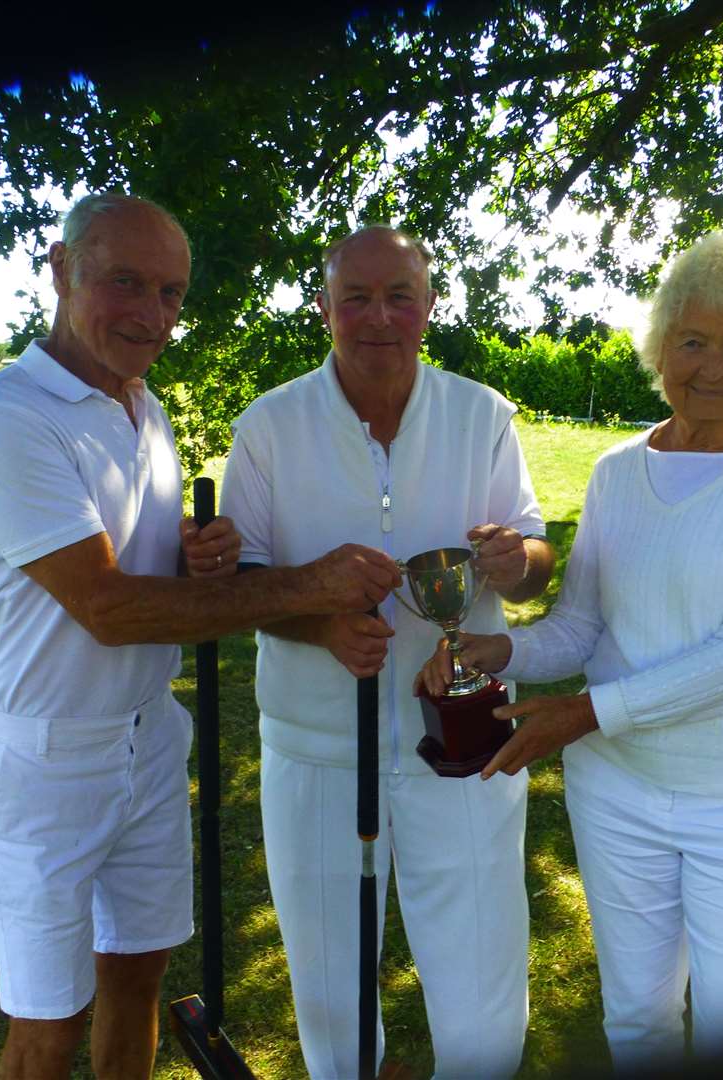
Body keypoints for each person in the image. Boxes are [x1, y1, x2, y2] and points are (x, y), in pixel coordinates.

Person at [0, 192, 400, 1080]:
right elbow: (110, 608)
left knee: (138, 980)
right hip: (45, 759)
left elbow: (146, 572)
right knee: (48, 1023)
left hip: (150, 738)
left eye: (171, 293)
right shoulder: (8, 417)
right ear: (60, 270)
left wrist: (203, 557)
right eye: (126, 282)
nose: (152, 315)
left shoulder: (141, 406)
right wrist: (307, 585)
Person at [417, 229, 723, 1070]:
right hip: (619, 796)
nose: (713, 366)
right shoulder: (618, 470)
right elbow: (582, 628)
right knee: (637, 1025)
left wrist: (583, 715)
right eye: (691, 341)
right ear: (659, 350)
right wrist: (490, 651)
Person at [218, 224, 556, 1078]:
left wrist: (519, 563)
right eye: (357, 297)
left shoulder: (480, 413)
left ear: (430, 305)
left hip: (467, 735)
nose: (379, 317)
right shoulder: (268, 425)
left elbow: (534, 559)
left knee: (481, 960)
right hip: (317, 742)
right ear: (324, 306)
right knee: (331, 974)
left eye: (400, 295)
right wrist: (319, 620)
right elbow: (241, 580)